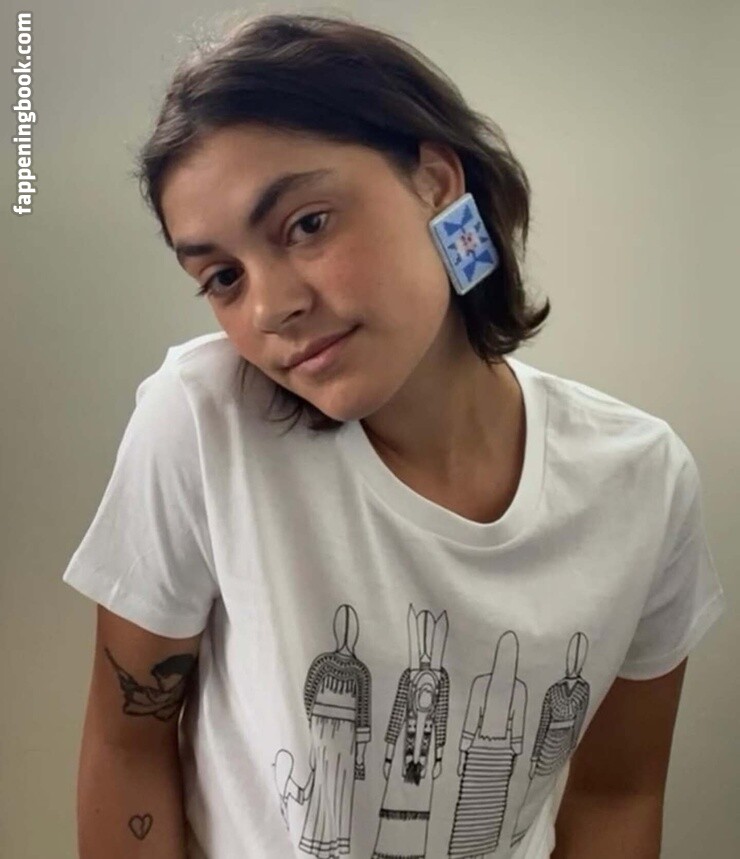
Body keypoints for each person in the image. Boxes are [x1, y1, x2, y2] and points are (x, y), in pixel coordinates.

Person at [61, 11, 727, 859]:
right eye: (223, 276)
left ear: (436, 183)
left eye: (307, 223)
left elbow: (617, 793)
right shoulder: (203, 422)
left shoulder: (643, 482)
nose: (271, 307)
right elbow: (129, 745)